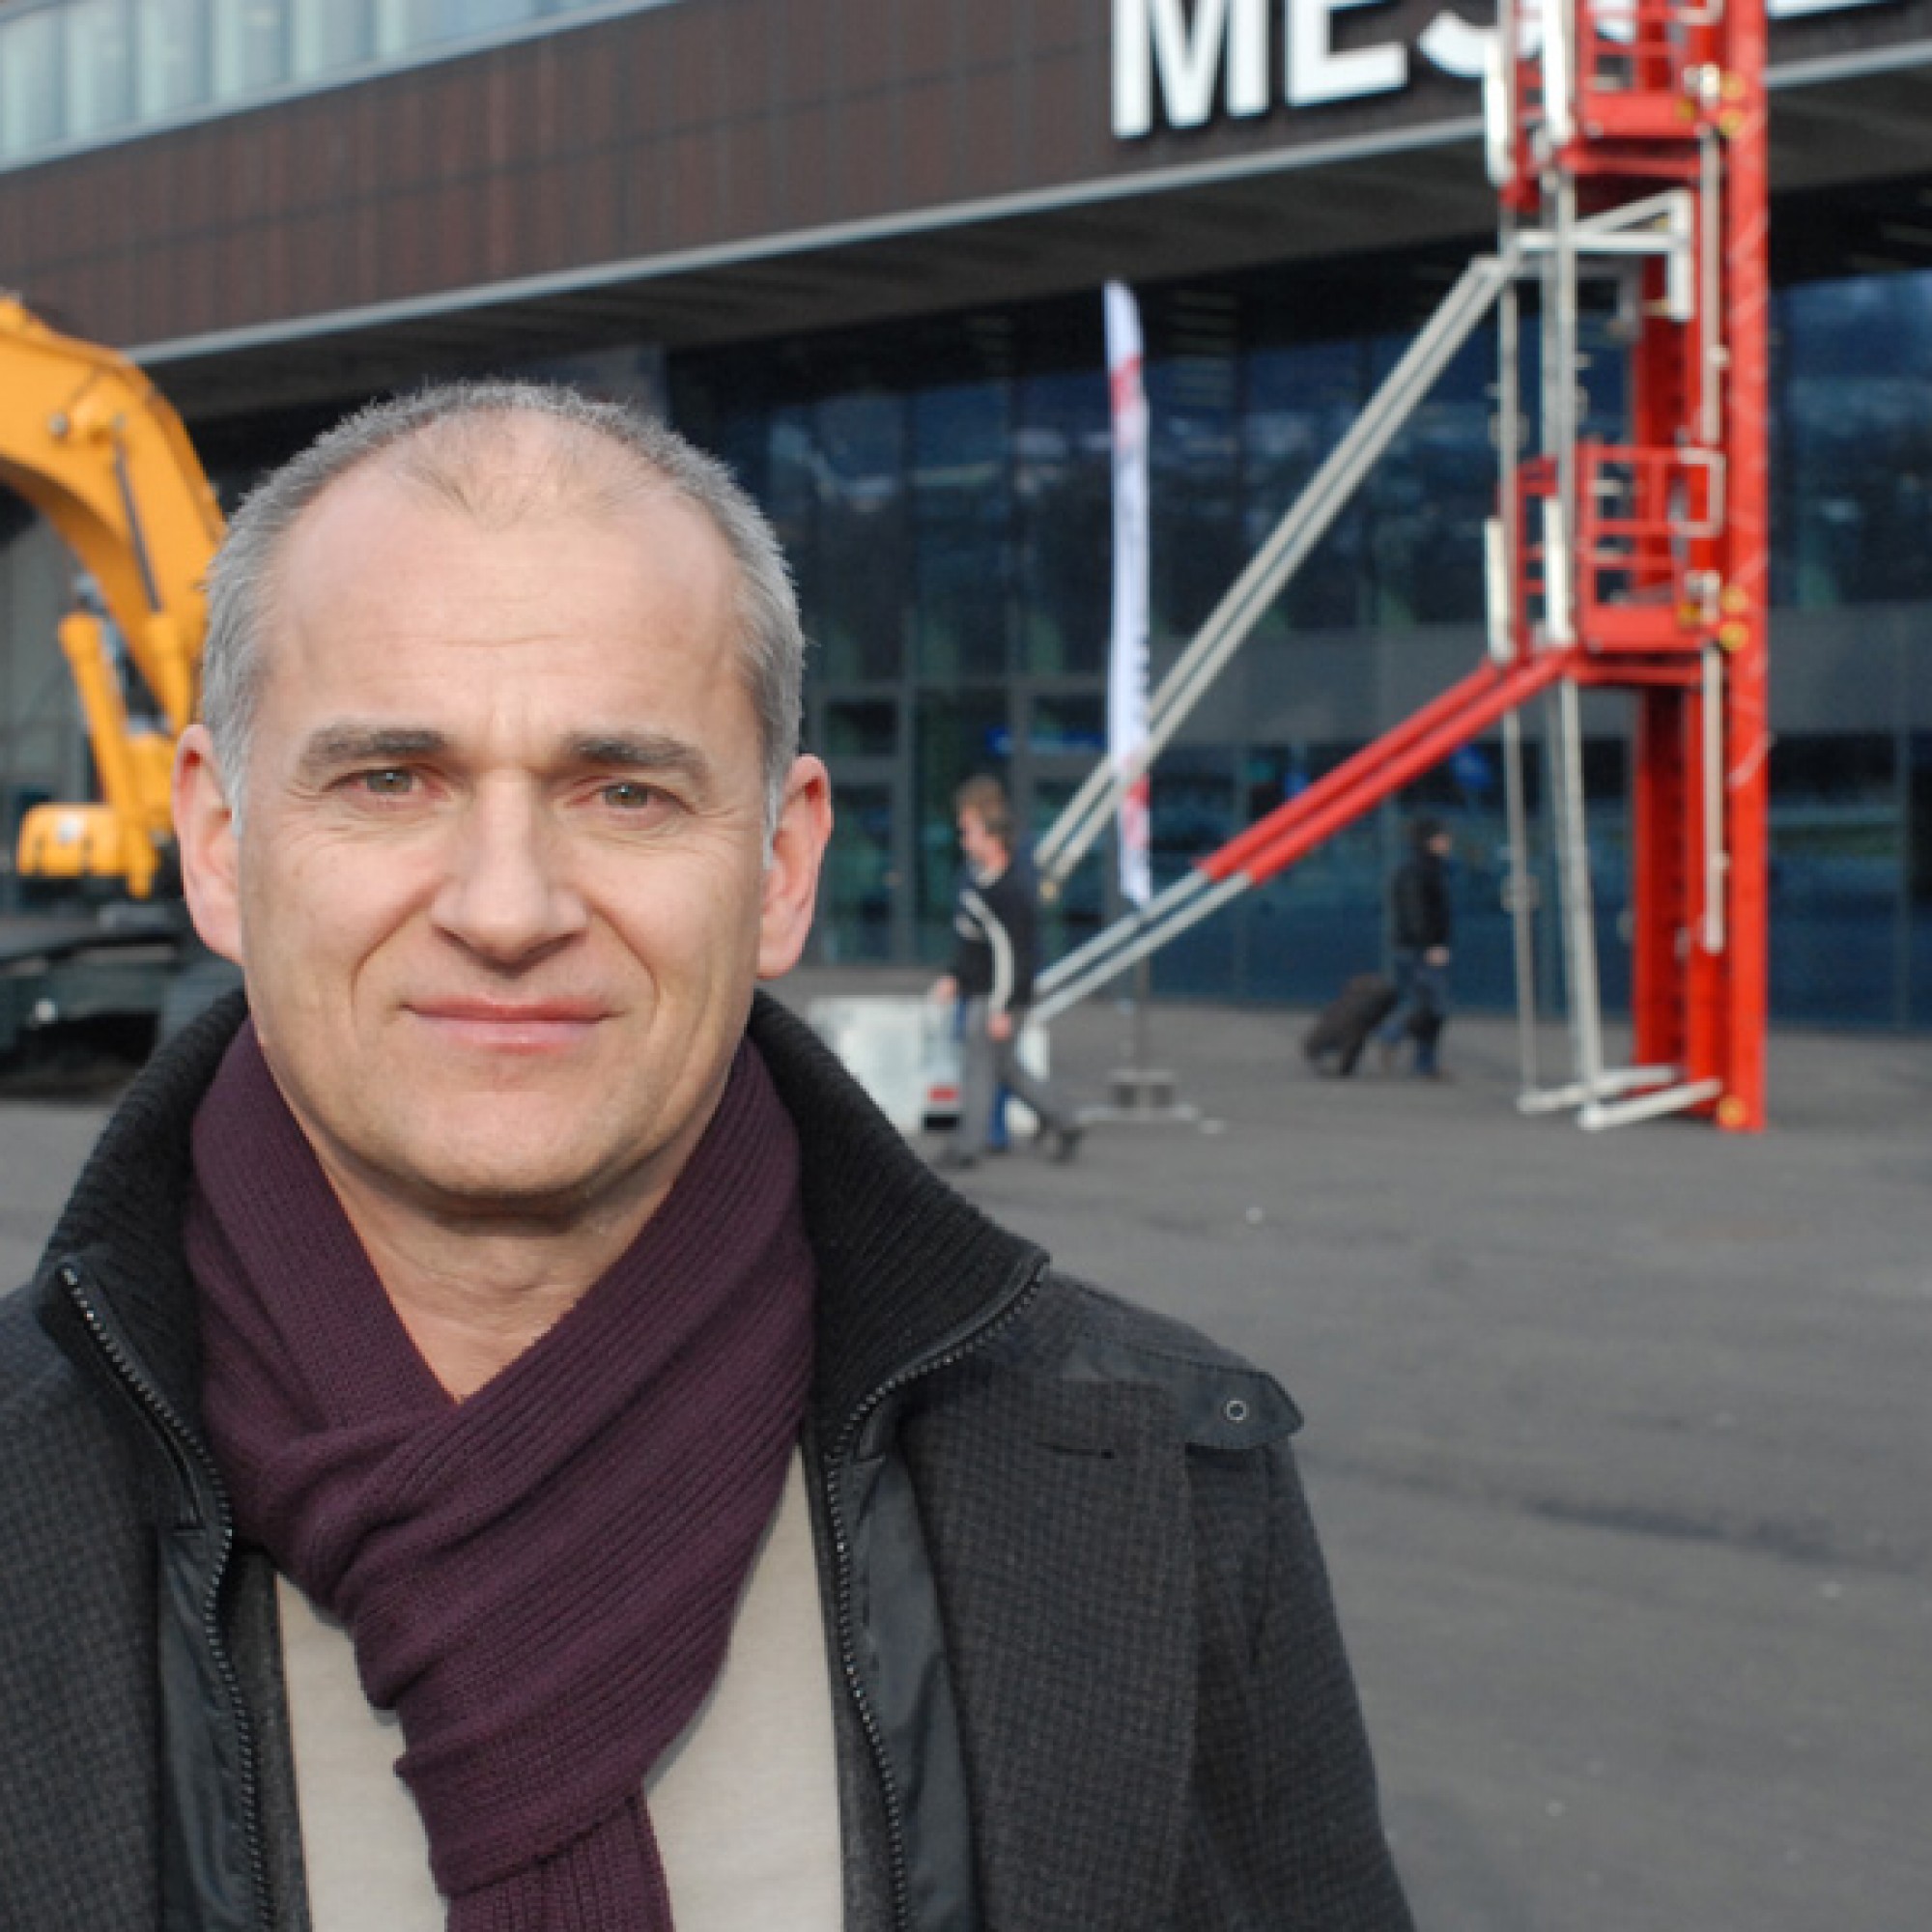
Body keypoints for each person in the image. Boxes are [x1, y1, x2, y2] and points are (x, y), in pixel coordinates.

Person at [0, 384, 1413, 1931]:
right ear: (215, 839)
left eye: (625, 791)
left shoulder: (1158, 1494)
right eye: (389, 780)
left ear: (782, 865)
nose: (508, 904)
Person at [930, 776, 1083, 1169]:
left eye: (969, 830)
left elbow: (1010, 955)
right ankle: (1063, 1121)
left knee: (981, 1068)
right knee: (1006, 1069)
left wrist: (1001, 1006)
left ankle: (969, 1145)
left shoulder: (1006, 890)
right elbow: (976, 947)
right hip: (986, 991)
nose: (963, 840)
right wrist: (955, 976)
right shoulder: (983, 883)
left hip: (994, 996)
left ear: (989, 832)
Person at [1378, 816, 1455, 1079]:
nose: (1447, 842)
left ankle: (1425, 1061)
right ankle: (1392, 1036)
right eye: (1442, 837)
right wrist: (1430, 945)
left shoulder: (1432, 868)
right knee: (1432, 1006)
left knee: (1428, 1006)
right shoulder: (1418, 871)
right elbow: (1416, 913)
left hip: (1421, 947)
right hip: (1419, 950)